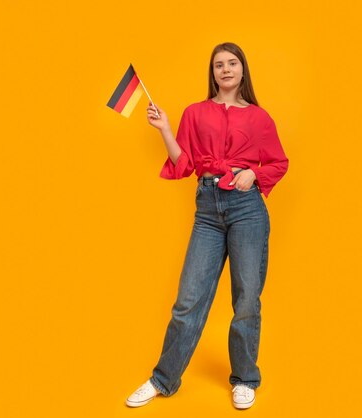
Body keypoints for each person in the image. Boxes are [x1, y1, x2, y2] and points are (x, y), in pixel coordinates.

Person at [125, 42, 289, 410]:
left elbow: (279, 162)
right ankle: (162, 379)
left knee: (246, 298)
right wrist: (165, 129)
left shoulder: (260, 118)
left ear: (243, 70)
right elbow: (183, 164)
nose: (226, 69)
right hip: (207, 211)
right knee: (188, 300)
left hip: (247, 209)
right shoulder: (195, 113)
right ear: (212, 72)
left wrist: (254, 173)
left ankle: (245, 378)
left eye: (232, 63)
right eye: (219, 65)